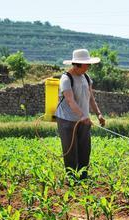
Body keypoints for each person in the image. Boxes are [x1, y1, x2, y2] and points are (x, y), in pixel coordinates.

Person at [55, 48, 106, 182]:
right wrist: (83, 116)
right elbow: (70, 100)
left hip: (84, 120)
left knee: (85, 149)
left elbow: (91, 98)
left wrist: (98, 114)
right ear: (77, 64)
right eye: (86, 64)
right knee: (70, 151)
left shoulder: (86, 78)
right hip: (67, 121)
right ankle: (72, 180)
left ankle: (83, 178)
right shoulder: (66, 79)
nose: (88, 67)